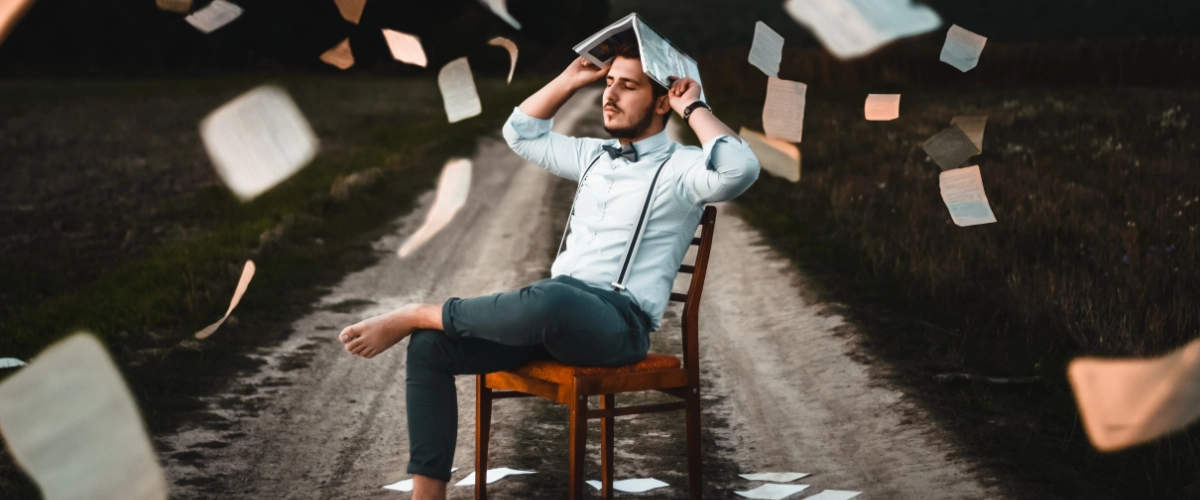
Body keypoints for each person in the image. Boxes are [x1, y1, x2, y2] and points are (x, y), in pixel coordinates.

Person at [337, 39, 760, 500]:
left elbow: (740, 168)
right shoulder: (592, 155)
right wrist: (571, 79)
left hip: (618, 327)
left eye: (629, 86)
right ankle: (428, 494)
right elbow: (520, 133)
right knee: (431, 347)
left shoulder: (685, 169)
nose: (610, 95)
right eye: (609, 83)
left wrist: (693, 105)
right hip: (554, 318)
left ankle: (417, 311)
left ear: (663, 100)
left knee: (552, 299)